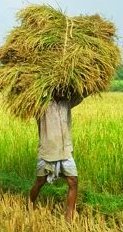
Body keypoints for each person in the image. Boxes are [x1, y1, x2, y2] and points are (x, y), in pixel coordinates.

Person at [29, 94, 83, 222]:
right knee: (40, 181)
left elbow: (82, 94)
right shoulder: (41, 104)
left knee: (73, 181)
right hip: (48, 150)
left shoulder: (67, 102)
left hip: (66, 150)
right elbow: (25, 101)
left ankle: (69, 216)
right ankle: (30, 204)